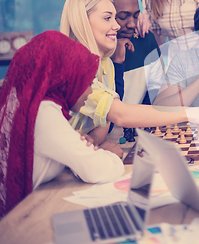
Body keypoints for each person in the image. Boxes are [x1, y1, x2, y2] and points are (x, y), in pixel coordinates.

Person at [59, 0, 199, 149]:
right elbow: (120, 114)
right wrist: (190, 113)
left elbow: (104, 121)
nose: (117, 26)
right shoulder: (71, 66)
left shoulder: (106, 63)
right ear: (82, 22)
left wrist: (92, 139)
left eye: (116, 18)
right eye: (108, 18)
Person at [0, 31, 125, 219]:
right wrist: (108, 154)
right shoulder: (43, 113)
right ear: (64, 77)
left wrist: (80, 149)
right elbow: (100, 170)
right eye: (87, 82)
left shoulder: (31, 106)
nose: (90, 91)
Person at [98, 0, 166, 105]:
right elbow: (107, 109)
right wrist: (117, 63)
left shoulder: (145, 40)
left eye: (136, 15)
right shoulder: (94, 49)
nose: (132, 24)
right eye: (123, 17)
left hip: (141, 124)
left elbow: (157, 96)